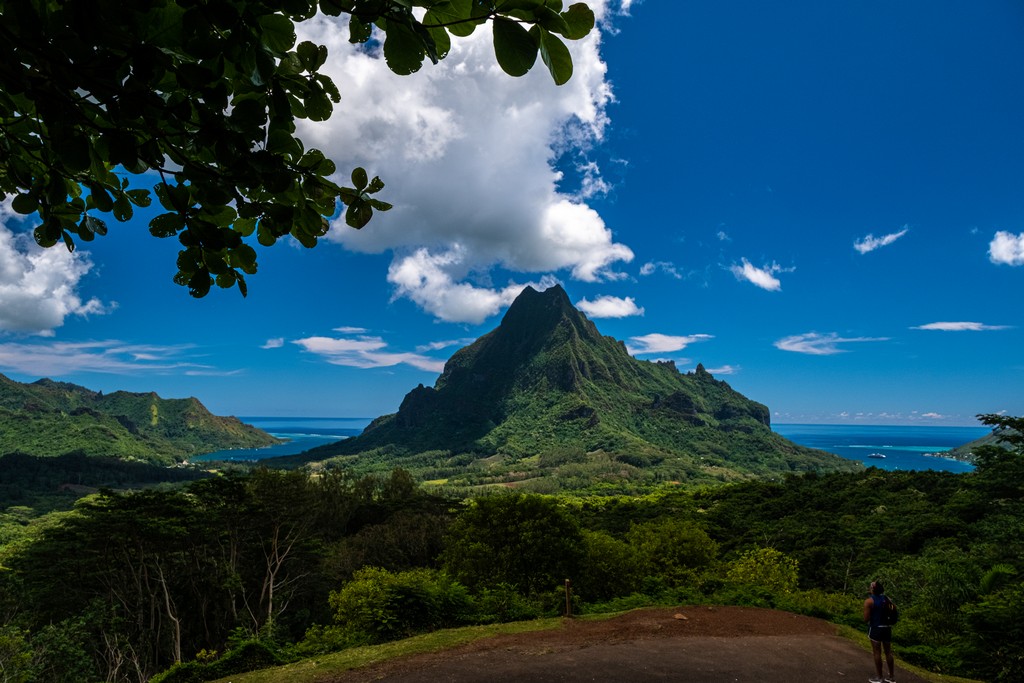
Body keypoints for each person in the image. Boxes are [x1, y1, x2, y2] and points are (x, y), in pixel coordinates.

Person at [863, 580, 896, 683]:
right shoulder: (888, 599)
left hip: (876, 628)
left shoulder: (869, 601)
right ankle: (891, 677)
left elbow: (866, 619)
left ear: (873, 589)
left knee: (877, 652)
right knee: (888, 652)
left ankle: (879, 677)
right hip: (887, 628)